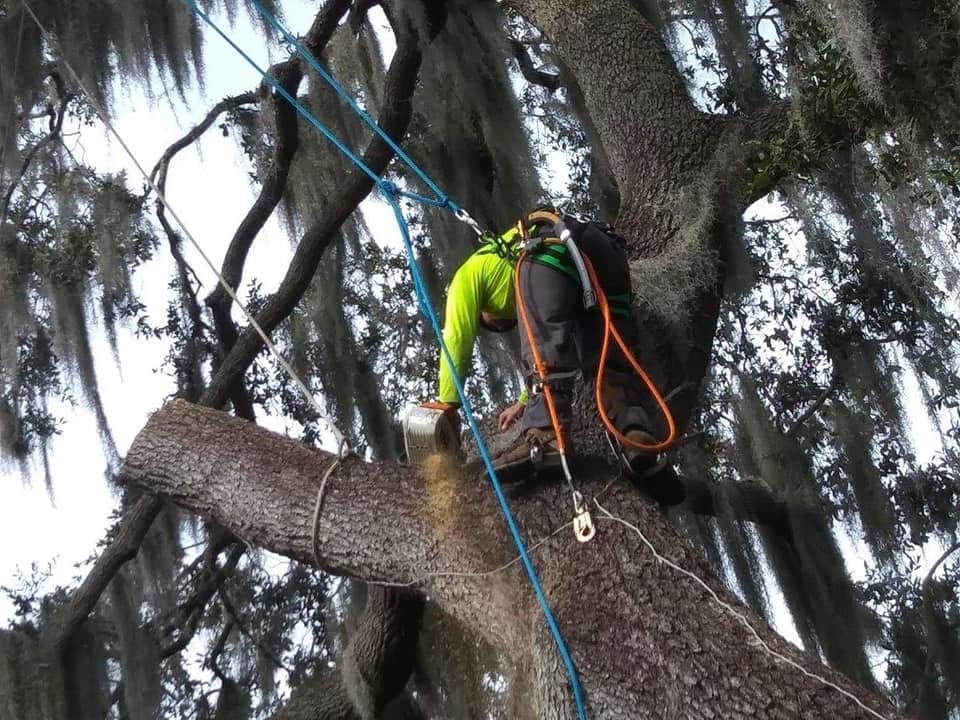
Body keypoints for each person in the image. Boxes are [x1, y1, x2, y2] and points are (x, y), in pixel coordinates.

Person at [426, 207, 682, 503]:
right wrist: (523, 402)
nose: (503, 323)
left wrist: (447, 402)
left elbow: (456, 337)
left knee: (543, 343)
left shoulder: (466, 276)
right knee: (610, 364)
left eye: (497, 322)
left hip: (550, 243)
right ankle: (638, 438)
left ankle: (545, 435)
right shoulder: (509, 271)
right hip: (603, 255)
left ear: (486, 313)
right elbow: (561, 337)